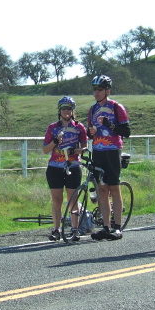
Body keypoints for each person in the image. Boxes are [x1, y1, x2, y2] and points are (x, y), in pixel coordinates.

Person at [87, 75, 130, 241]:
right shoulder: (92, 109)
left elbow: (126, 131)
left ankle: (117, 227)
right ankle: (106, 227)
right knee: (102, 190)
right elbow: (90, 131)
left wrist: (109, 125)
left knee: (114, 188)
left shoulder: (116, 107)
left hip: (113, 150)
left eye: (99, 90)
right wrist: (90, 133)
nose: (96, 93)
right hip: (98, 150)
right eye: (94, 90)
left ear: (107, 91)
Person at [43, 96, 88, 241]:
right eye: (64, 108)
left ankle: (75, 229)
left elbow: (85, 148)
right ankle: (56, 229)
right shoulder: (53, 127)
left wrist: (75, 150)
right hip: (55, 167)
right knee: (57, 200)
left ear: (73, 110)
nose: (66, 111)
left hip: (73, 166)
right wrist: (55, 142)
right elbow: (45, 149)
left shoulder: (79, 127)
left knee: (72, 199)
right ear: (59, 110)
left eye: (69, 108)